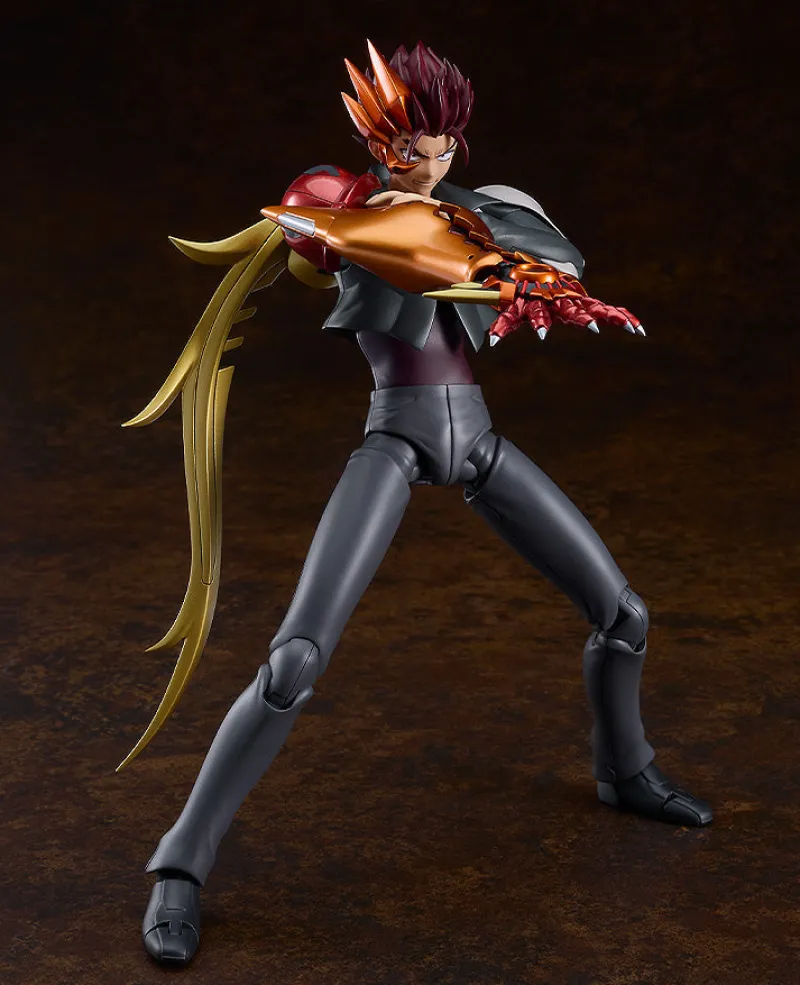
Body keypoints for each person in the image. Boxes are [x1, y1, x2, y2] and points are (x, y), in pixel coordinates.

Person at [131, 40, 712, 965]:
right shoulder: (348, 205)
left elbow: (540, 259)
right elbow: (327, 233)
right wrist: (374, 224)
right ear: (377, 141)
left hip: (476, 439)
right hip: (395, 440)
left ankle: (625, 768)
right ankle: (179, 864)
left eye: (442, 145)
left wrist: (521, 268)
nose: (429, 161)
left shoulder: (489, 211)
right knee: (292, 661)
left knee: (625, 615)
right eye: (410, 146)